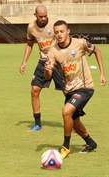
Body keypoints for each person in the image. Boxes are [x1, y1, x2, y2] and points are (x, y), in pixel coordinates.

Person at [44, 20, 107, 159]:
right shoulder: (53, 51)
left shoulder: (80, 43)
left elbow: (97, 51)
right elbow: (47, 75)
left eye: (62, 31)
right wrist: (47, 70)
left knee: (66, 112)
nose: (59, 34)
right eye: (56, 32)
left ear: (68, 31)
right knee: (74, 121)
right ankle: (90, 143)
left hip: (85, 87)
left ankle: (66, 146)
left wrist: (102, 73)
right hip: (69, 90)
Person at [19, 5, 65, 132]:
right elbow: (29, 45)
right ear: (35, 15)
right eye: (41, 16)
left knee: (67, 92)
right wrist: (24, 62)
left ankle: (74, 123)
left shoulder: (55, 24)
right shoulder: (31, 28)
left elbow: (65, 40)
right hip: (43, 62)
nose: (44, 18)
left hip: (57, 62)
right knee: (34, 90)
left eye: (45, 16)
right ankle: (38, 124)